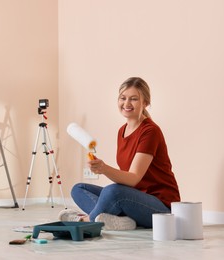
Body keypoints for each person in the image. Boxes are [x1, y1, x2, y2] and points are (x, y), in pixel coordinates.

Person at [59, 77, 180, 230]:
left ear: (145, 103)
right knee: (78, 189)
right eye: (123, 98)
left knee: (113, 192)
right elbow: (128, 181)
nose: (127, 103)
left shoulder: (150, 132)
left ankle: (87, 221)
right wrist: (101, 167)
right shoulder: (122, 131)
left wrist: (103, 168)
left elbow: (134, 178)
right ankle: (124, 221)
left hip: (161, 207)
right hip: (134, 198)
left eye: (134, 99)